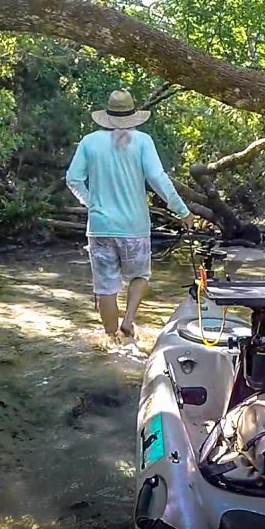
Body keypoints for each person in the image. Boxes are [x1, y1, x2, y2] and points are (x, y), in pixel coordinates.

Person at [66, 89, 194, 342]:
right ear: (133, 115)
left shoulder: (89, 142)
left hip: (100, 228)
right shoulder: (143, 141)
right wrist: (182, 211)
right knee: (140, 276)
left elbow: (73, 179)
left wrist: (92, 203)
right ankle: (128, 320)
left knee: (105, 289)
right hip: (134, 227)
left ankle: (112, 340)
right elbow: (158, 178)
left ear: (106, 116)